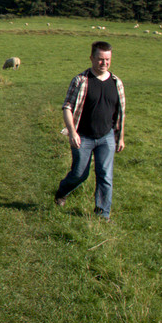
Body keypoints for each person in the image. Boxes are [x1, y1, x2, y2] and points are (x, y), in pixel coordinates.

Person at [55, 41, 125, 220]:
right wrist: (72, 132)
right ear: (92, 58)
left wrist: (120, 137)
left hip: (106, 137)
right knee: (80, 173)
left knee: (105, 176)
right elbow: (67, 107)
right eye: (100, 59)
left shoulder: (117, 83)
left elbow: (120, 113)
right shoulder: (80, 80)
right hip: (83, 136)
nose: (104, 63)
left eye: (107, 59)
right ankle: (63, 191)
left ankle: (102, 214)